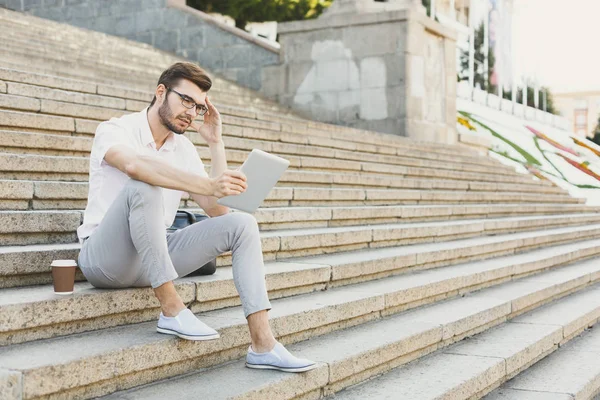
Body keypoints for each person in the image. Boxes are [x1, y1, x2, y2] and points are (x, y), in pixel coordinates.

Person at [77, 62, 316, 373]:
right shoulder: (115, 129)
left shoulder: (184, 148)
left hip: (153, 255)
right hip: (104, 260)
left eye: (199, 106)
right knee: (144, 186)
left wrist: (216, 144)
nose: (191, 112)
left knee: (242, 224)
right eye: (186, 100)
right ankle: (172, 309)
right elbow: (135, 166)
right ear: (160, 92)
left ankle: (263, 344)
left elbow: (220, 211)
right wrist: (205, 183)